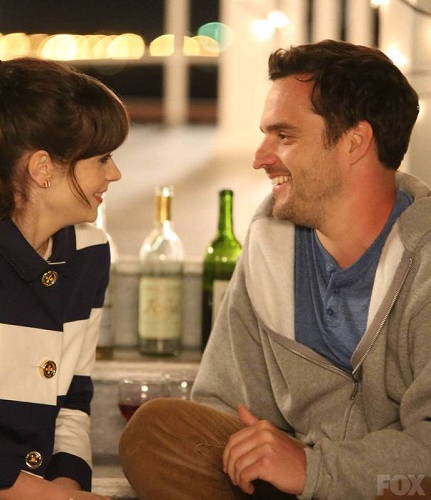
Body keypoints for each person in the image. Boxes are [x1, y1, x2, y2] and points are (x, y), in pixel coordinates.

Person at [119, 39, 431, 499]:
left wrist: (314, 469)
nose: (260, 157)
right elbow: (222, 407)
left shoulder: (424, 259)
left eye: (284, 137)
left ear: (355, 142)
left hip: (393, 488)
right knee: (156, 432)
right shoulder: (270, 244)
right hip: (291, 485)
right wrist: (272, 459)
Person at [0, 55, 129, 499]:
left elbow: (73, 402)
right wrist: (51, 496)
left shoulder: (89, 252)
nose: (115, 173)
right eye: (102, 158)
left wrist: (68, 484)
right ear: (42, 168)